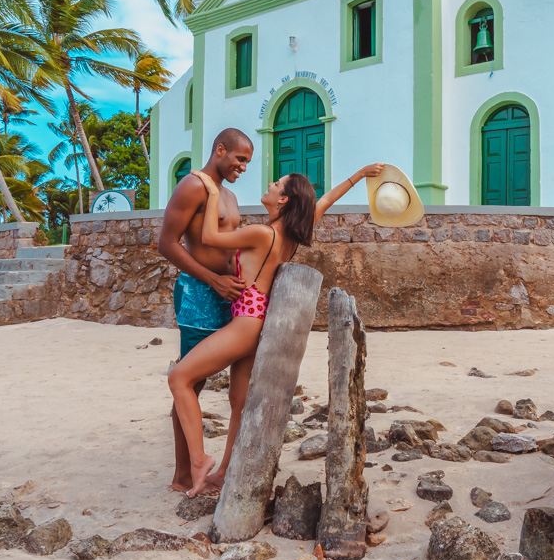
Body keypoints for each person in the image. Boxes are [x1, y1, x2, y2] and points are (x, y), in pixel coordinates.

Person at [169, 163, 384, 497]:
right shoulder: (291, 234)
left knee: (179, 378)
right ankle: (225, 471)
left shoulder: (262, 233)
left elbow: (210, 236)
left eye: (277, 183)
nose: (270, 184)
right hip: (260, 325)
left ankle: (199, 461)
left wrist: (212, 193)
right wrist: (359, 175)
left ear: (283, 200)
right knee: (239, 401)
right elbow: (324, 201)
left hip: (245, 324)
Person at [157, 128, 254, 492]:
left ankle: (221, 470)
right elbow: (167, 243)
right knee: (189, 382)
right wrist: (214, 281)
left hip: (228, 297)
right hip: (199, 292)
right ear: (220, 150)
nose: (243, 167)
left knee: (235, 387)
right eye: (239, 159)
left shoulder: (226, 194)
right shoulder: (192, 186)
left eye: (247, 162)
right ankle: (183, 476)